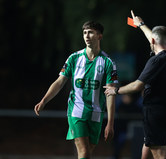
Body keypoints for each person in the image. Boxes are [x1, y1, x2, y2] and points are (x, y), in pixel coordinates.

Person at [34, 21, 118, 159]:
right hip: (76, 111)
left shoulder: (108, 62)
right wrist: (44, 100)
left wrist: (110, 123)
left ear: (100, 36)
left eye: (91, 32)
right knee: (84, 152)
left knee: (87, 153)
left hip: (96, 113)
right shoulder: (74, 58)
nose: (87, 36)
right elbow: (59, 82)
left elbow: (110, 93)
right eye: (85, 33)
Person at [104, 10, 166, 159]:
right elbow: (154, 38)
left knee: (160, 154)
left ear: (152, 41)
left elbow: (138, 86)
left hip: (155, 112)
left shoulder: (155, 61)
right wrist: (141, 25)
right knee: (147, 148)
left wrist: (116, 90)